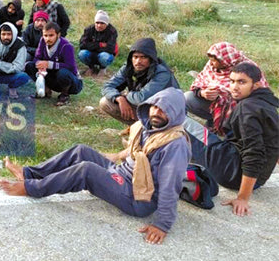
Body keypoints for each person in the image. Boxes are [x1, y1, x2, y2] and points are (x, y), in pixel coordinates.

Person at [0, 88, 190, 245]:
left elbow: (170, 185)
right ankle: (29, 173)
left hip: (137, 196)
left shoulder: (175, 144)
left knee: (86, 170)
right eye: (154, 107)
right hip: (121, 174)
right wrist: (115, 156)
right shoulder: (150, 127)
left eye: (164, 110)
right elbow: (134, 153)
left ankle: (32, 188)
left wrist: (162, 224)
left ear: (176, 114)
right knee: (81, 150)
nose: (156, 112)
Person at [183, 62, 278, 216]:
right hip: (257, 181)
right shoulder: (267, 103)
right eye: (232, 81)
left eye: (242, 82)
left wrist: (242, 198)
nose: (234, 87)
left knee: (177, 120)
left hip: (231, 173)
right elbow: (273, 141)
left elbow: (253, 154)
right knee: (204, 136)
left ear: (256, 84)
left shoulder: (247, 109)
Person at [187, 42, 267, 129]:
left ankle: (234, 128)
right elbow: (200, 82)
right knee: (187, 98)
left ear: (224, 60)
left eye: (214, 60)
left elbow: (259, 95)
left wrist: (227, 96)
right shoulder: (211, 66)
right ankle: (215, 121)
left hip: (241, 107)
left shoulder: (248, 68)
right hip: (217, 105)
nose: (211, 63)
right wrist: (202, 93)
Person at [100, 38, 179, 126]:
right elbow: (107, 86)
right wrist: (119, 98)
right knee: (106, 102)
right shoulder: (128, 67)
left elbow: (142, 98)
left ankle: (153, 130)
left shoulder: (161, 72)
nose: (138, 61)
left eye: (143, 57)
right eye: (135, 57)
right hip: (147, 107)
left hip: (167, 111)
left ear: (151, 59)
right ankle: (139, 128)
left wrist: (127, 95)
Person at [28, 22, 83, 106]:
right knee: (30, 66)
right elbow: (37, 57)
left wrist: (49, 64)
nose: (47, 39)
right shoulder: (42, 41)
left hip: (73, 82)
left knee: (63, 73)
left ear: (58, 35)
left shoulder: (66, 46)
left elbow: (71, 67)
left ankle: (65, 95)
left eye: (51, 35)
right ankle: (45, 89)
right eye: (45, 35)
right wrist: (40, 65)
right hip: (53, 77)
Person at [0, 22, 30, 99]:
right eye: (3, 34)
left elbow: (18, 68)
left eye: (9, 34)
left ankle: (12, 87)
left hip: (11, 75)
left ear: (13, 34)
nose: (6, 37)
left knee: (24, 77)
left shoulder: (20, 46)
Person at [78, 10, 118, 75]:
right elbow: (82, 45)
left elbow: (110, 49)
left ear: (106, 24)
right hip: (91, 53)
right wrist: (100, 44)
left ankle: (103, 68)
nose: (99, 25)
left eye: (102, 23)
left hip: (104, 55)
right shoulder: (89, 29)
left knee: (104, 56)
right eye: (97, 23)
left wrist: (91, 46)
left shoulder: (112, 31)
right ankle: (91, 67)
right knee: (82, 54)